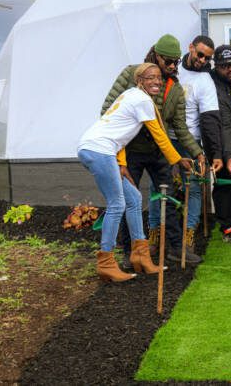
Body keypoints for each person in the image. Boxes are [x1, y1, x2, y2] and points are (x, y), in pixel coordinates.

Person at [79, 63, 192, 282]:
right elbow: (159, 135)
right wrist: (177, 159)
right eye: (150, 78)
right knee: (117, 204)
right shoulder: (141, 101)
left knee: (134, 198)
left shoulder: (130, 95)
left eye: (159, 77)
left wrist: (121, 163)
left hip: (98, 148)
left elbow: (119, 136)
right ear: (139, 80)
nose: (157, 81)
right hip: (99, 149)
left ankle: (140, 256)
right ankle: (106, 262)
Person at [101, 34, 205, 265]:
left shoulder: (176, 89)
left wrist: (197, 153)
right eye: (166, 61)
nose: (171, 66)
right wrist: (119, 156)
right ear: (155, 55)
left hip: (158, 152)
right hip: (130, 152)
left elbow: (179, 126)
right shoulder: (131, 74)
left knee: (168, 198)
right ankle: (130, 252)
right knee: (130, 200)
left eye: (174, 62)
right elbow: (107, 110)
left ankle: (176, 248)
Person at [169, 35, 224, 249]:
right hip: (166, 139)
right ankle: (156, 233)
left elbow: (210, 120)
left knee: (192, 188)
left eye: (207, 58)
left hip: (190, 142)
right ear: (190, 47)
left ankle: (189, 234)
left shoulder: (205, 81)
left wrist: (214, 153)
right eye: (200, 54)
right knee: (161, 187)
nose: (202, 60)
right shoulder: (173, 69)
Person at [209, 45, 231, 245]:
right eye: (224, 66)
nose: (230, 69)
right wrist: (226, 153)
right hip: (221, 139)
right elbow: (224, 123)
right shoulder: (212, 83)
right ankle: (227, 227)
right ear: (216, 66)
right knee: (224, 183)